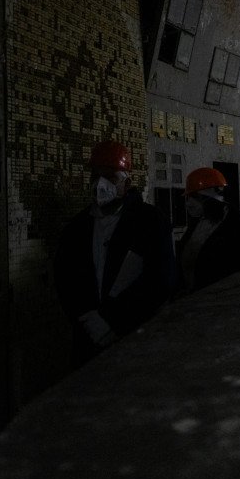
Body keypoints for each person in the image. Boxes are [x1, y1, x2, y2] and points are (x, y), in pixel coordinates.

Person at [54, 140, 176, 366]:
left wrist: (114, 321)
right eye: (95, 176)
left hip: (137, 340)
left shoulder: (150, 221)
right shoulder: (77, 228)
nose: (100, 184)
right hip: (88, 341)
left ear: (127, 182)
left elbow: (160, 280)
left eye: (110, 177)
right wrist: (89, 323)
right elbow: (65, 278)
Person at [176, 167, 240, 297]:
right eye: (188, 197)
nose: (188, 204)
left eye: (193, 197)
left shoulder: (237, 226)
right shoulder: (200, 221)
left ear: (208, 198)